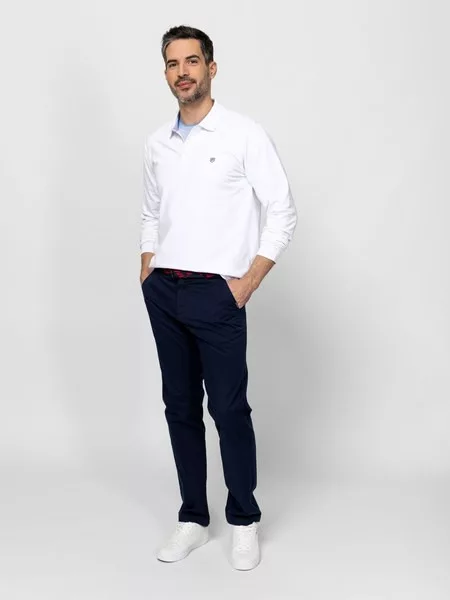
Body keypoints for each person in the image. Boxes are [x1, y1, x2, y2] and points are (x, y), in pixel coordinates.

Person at [140, 25, 297, 571]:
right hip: (165, 290)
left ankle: (244, 519)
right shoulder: (157, 143)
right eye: (172, 63)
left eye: (191, 61)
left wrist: (247, 280)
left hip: (218, 292)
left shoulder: (242, 133)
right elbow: (151, 211)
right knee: (179, 406)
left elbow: (282, 209)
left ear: (211, 67)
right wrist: (147, 265)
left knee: (229, 409)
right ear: (166, 73)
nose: (182, 72)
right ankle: (192, 518)